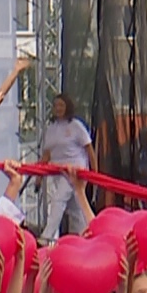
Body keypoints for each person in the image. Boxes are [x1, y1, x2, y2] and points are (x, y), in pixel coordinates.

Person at [40, 93, 94, 239]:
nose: (58, 108)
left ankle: (47, 236)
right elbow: (46, 155)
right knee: (75, 208)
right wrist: (39, 178)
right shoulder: (51, 129)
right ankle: (86, 234)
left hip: (75, 171)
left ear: (67, 107)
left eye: (61, 105)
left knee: (58, 199)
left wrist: (95, 172)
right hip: (58, 173)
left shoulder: (76, 126)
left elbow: (89, 149)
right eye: (56, 105)